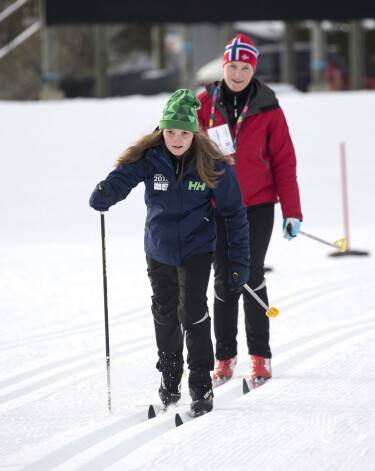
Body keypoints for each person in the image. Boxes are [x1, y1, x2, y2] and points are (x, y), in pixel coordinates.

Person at [89, 89, 250, 416]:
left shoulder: (212, 164)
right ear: (162, 130)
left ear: (195, 133)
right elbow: (124, 177)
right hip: (159, 247)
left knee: (192, 311)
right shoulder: (151, 158)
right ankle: (171, 376)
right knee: (164, 312)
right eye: (170, 131)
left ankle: (201, 382)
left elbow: (234, 213)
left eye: (184, 132)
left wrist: (239, 261)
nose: (176, 138)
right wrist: (107, 191)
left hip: (196, 247)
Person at [196, 34, 303, 385]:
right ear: (223, 66)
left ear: (253, 69)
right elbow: (178, 141)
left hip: (257, 205)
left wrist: (292, 211)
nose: (238, 73)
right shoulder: (204, 104)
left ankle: (261, 357)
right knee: (225, 280)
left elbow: (284, 162)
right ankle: (224, 358)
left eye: (245, 67)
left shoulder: (268, 106)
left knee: (251, 276)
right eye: (232, 66)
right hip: (216, 205)